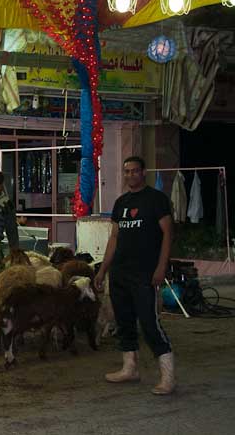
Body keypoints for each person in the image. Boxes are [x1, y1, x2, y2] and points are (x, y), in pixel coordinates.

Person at [95, 156, 175, 395]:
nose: (130, 175)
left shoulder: (156, 199)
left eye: (135, 171)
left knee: (150, 323)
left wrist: (162, 267)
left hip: (145, 274)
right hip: (120, 272)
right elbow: (114, 238)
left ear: (144, 172)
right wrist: (102, 270)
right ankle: (130, 368)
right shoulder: (121, 202)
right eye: (127, 171)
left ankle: (168, 377)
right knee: (124, 322)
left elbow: (168, 235)